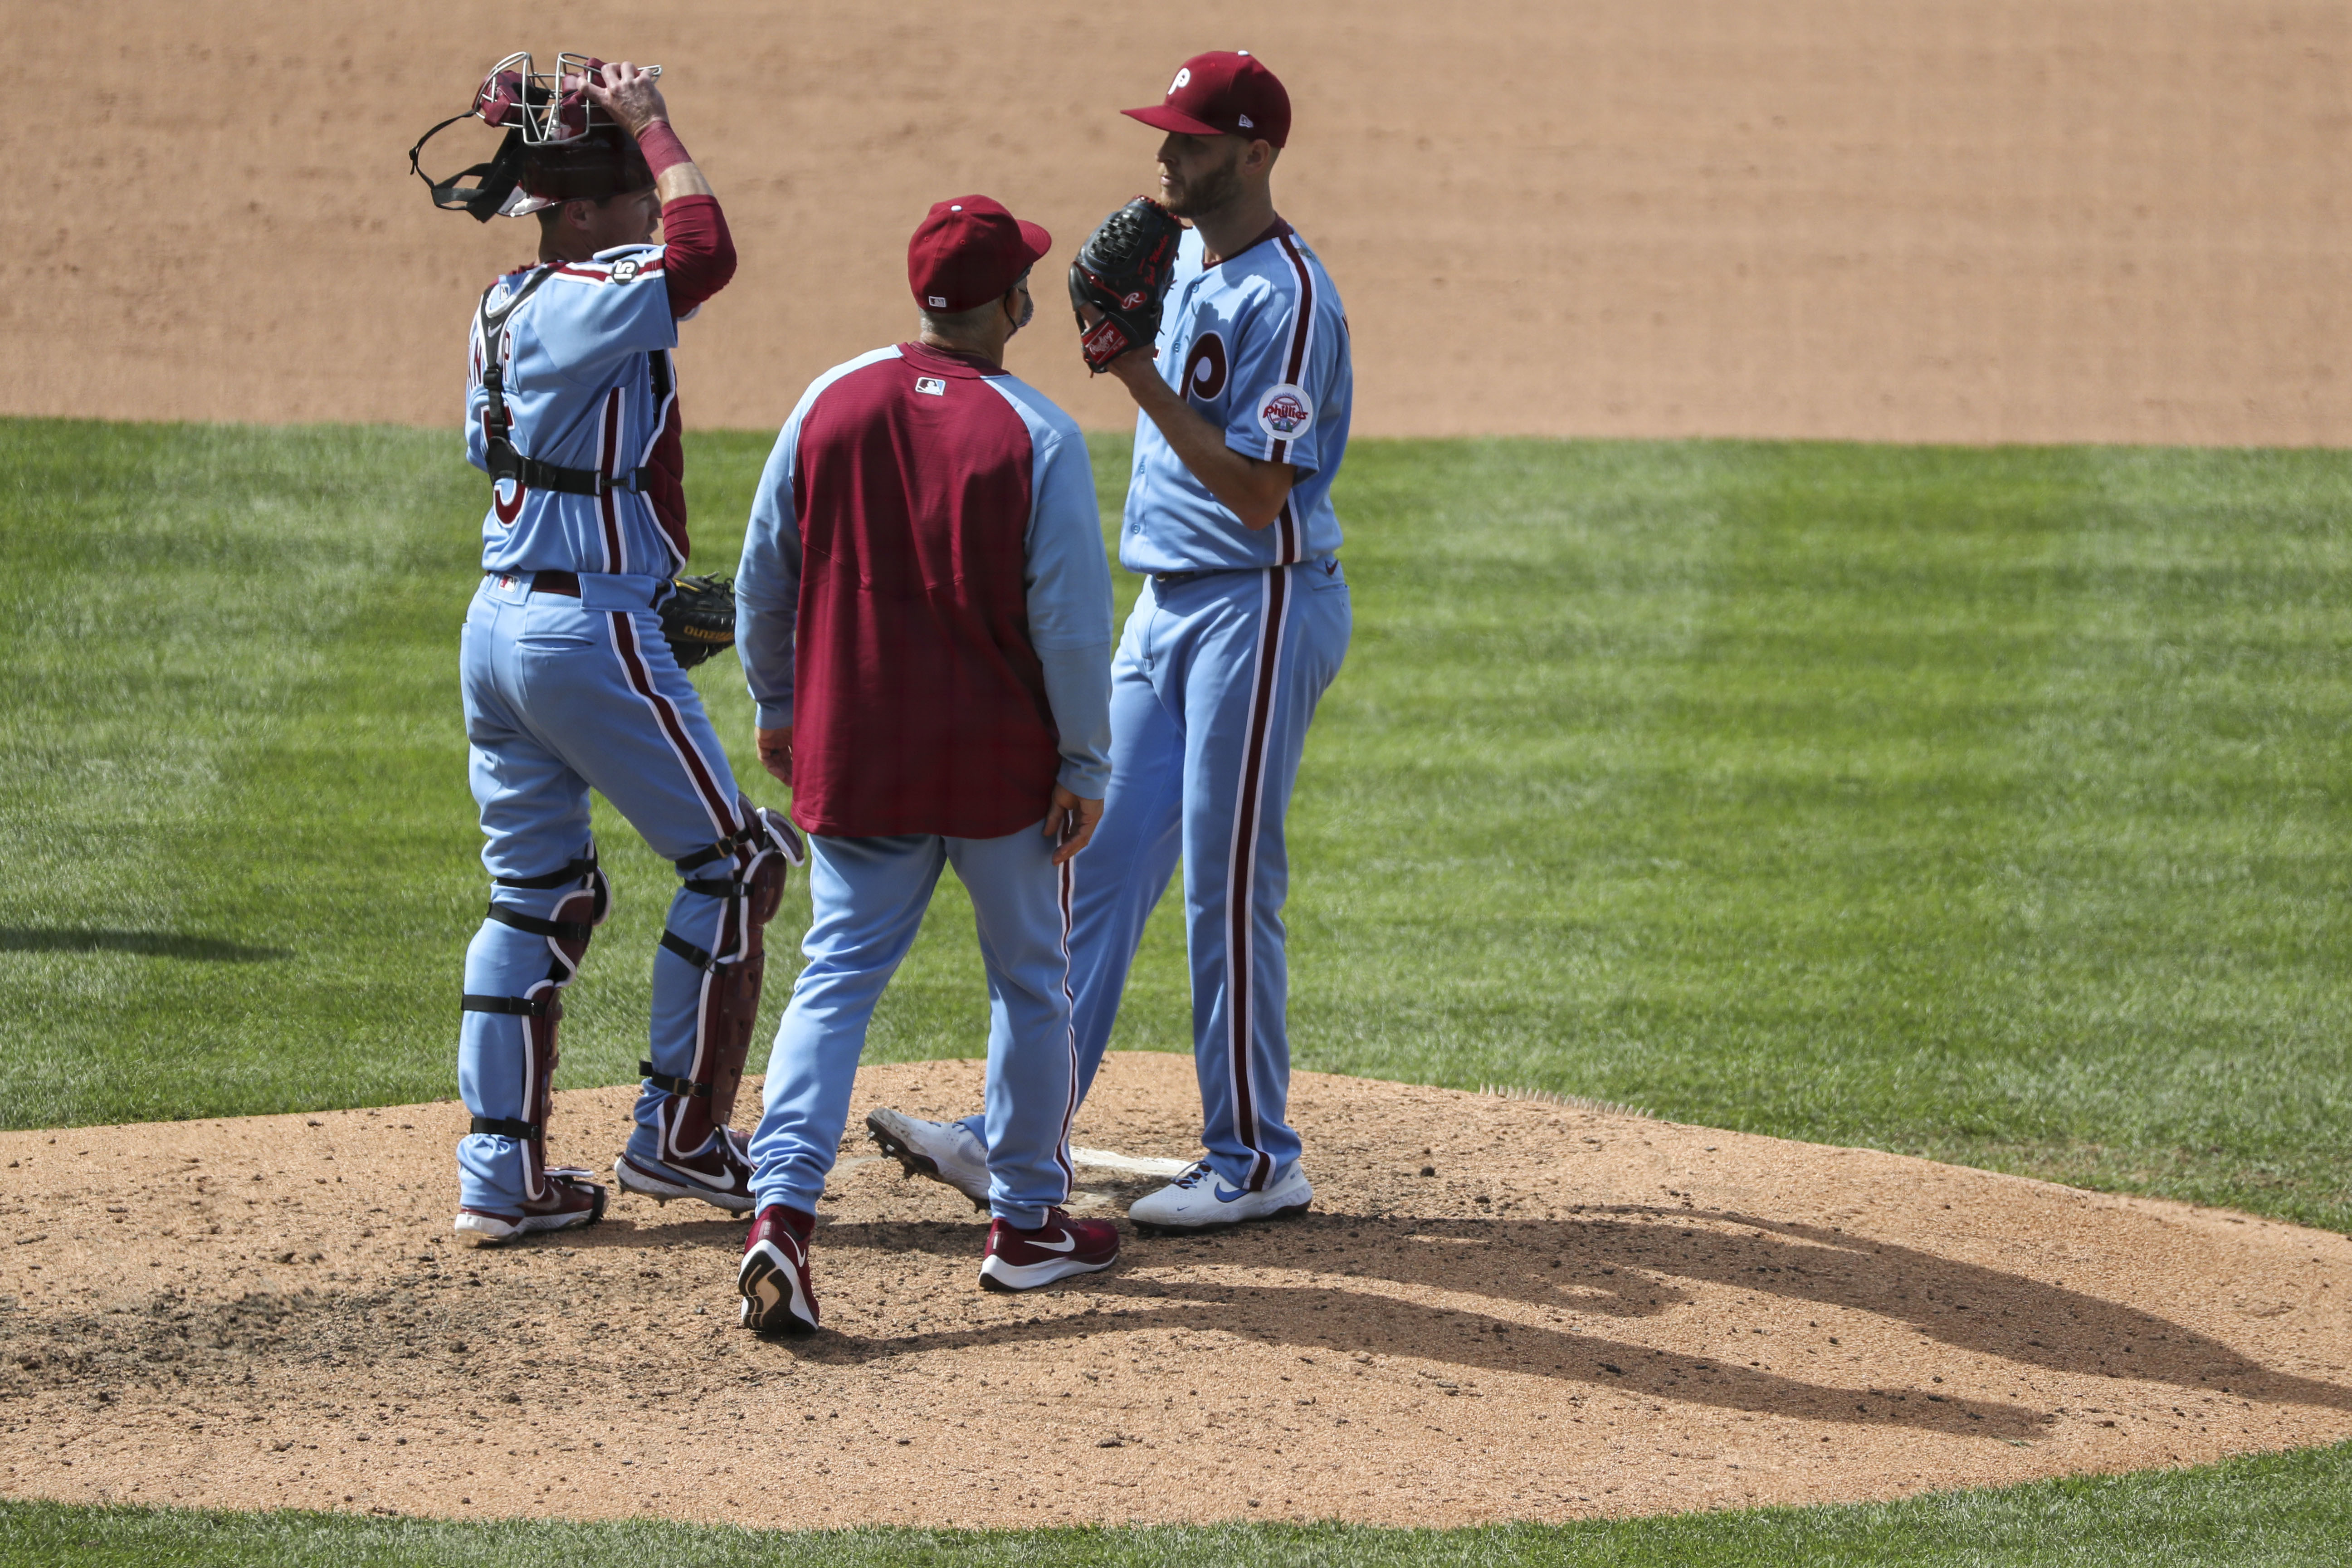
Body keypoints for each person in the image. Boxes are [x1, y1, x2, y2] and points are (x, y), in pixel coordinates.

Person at [864, 52, 1353, 1232]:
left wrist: (1124, 364)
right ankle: (1011, 1133)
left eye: (1191, 139)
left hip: (1261, 598)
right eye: (1166, 134)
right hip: (1168, 606)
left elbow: (1255, 494)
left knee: (1227, 891)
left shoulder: (1291, 299)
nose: (1165, 155)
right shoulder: (1184, 252)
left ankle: (1253, 1158)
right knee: (1082, 868)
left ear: (1254, 153)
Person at [732, 196, 1122, 1334]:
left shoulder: (829, 399)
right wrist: (1085, 760)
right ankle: (1028, 1225)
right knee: (1028, 982)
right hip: (999, 766)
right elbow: (1071, 626)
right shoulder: (1035, 432)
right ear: (1013, 305)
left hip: (859, 753)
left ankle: (780, 1220)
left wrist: (774, 701)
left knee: (836, 979)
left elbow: (763, 573)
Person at [444, 59, 802, 1246]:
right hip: (578, 631)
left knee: (537, 894)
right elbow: (706, 252)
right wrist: (654, 125)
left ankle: (499, 1179)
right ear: (589, 212)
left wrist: (641, 585)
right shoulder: (594, 288)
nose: (654, 205)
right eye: (632, 194)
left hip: (502, 627)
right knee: (740, 867)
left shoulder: (509, 301)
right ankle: (681, 1141)